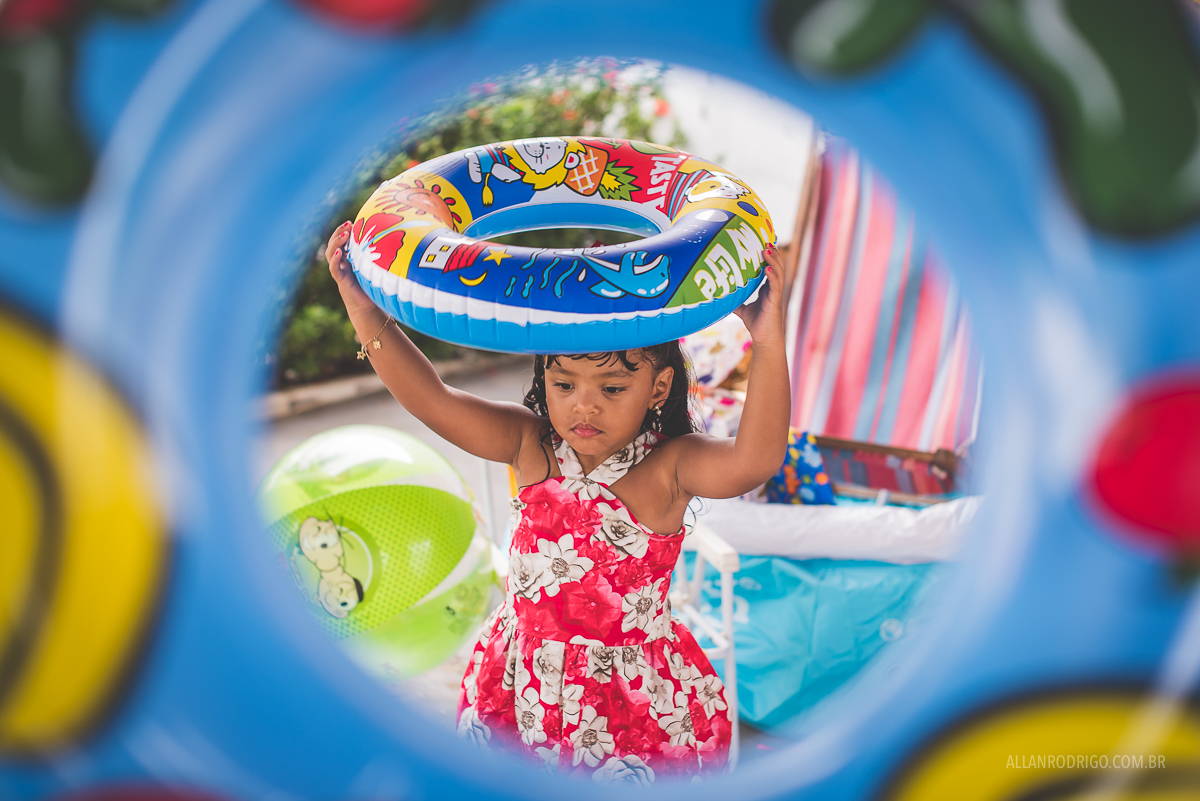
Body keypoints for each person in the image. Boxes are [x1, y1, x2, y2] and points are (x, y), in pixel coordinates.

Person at [325, 221, 790, 782]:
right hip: (520, 681)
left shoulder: (673, 465)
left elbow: (755, 461)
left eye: (612, 389)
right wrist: (362, 305)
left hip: (629, 705)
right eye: (563, 384)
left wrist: (766, 340)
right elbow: (431, 399)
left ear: (659, 388)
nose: (583, 408)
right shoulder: (529, 443)